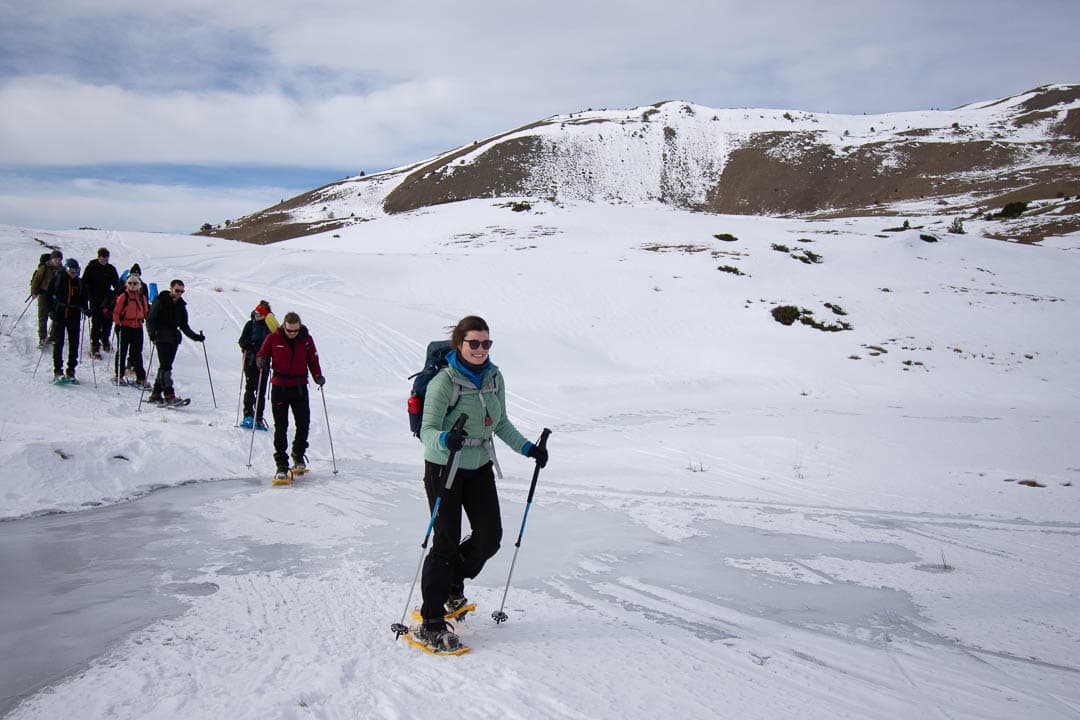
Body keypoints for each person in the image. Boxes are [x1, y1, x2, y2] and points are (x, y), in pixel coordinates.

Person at [409, 315, 549, 653]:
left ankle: (452, 583)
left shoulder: (494, 377)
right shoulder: (445, 382)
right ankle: (430, 621)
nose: (481, 349)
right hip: (445, 466)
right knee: (444, 542)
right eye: (474, 343)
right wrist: (446, 438)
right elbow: (427, 431)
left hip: (480, 465)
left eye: (487, 343)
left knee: (490, 538)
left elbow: (499, 422)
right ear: (460, 344)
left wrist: (529, 448)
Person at [256, 312, 324, 480]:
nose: (292, 334)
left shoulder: (306, 339)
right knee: (281, 426)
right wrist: (261, 362)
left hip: (300, 387)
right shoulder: (273, 338)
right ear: (284, 326)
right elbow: (261, 355)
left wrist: (317, 376)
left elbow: (313, 360)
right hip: (280, 387)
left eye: (295, 331)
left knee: (303, 423)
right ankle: (281, 465)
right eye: (289, 330)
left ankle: (298, 455)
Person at [145, 279, 204, 404]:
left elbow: (184, 325)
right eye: (177, 290)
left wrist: (196, 337)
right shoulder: (160, 300)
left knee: (164, 366)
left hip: (173, 338)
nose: (179, 294)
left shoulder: (181, 305)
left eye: (182, 291)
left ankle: (156, 394)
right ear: (171, 288)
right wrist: (152, 334)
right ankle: (169, 394)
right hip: (161, 337)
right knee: (166, 366)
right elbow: (150, 319)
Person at [47, 258, 89, 382]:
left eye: (76, 270)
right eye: (71, 270)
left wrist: (85, 309)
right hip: (59, 314)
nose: (73, 273)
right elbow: (48, 296)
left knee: (74, 343)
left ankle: (71, 371)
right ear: (66, 269)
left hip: (74, 315)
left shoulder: (79, 283)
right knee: (59, 342)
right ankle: (58, 371)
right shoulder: (58, 279)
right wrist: (50, 311)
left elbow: (83, 298)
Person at [237, 300, 274, 429]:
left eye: (260, 314)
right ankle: (248, 414)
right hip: (250, 360)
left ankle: (258, 417)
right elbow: (241, 340)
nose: (257, 316)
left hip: (264, 362)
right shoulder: (250, 324)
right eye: (256, 313)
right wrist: (247, 345)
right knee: (250, 387)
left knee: (261, 390)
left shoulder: (271, 327)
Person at [112, 274, 150, 387]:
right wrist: (117, 324)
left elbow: (146, 312)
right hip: (124, 326)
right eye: (130, 283)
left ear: (139, 285)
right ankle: (119, 375)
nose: (132, 285)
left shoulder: (142, 297)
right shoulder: (123, 296)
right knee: (122, 352)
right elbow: (116, 312)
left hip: (137, 327)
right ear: (126, 284)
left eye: (135, 283)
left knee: (137, 353)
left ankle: (141, 378)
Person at [81, 247, 120, 357]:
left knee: (108, 321)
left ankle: (105, 339)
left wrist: (114, 294)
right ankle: (95, 344)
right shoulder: (91, 267)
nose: (104, 261)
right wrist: (88, 295)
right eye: (102, 259)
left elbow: (116, 284)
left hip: (107, 300)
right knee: (96, 322)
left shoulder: (111, 269)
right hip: (94, 300)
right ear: (98, 257)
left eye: (106, 259)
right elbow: (84, 282)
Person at [29, 249, 62, 347]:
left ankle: (52, 336)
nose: (57, 261)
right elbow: (36, 280)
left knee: (56, 316)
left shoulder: (62, 270)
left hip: (56, 297)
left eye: (59, 259)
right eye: (55, 259)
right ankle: (42, 337)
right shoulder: (44, 268)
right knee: (43, 316)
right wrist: (34, 292)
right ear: (52, 259)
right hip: (44, 294)